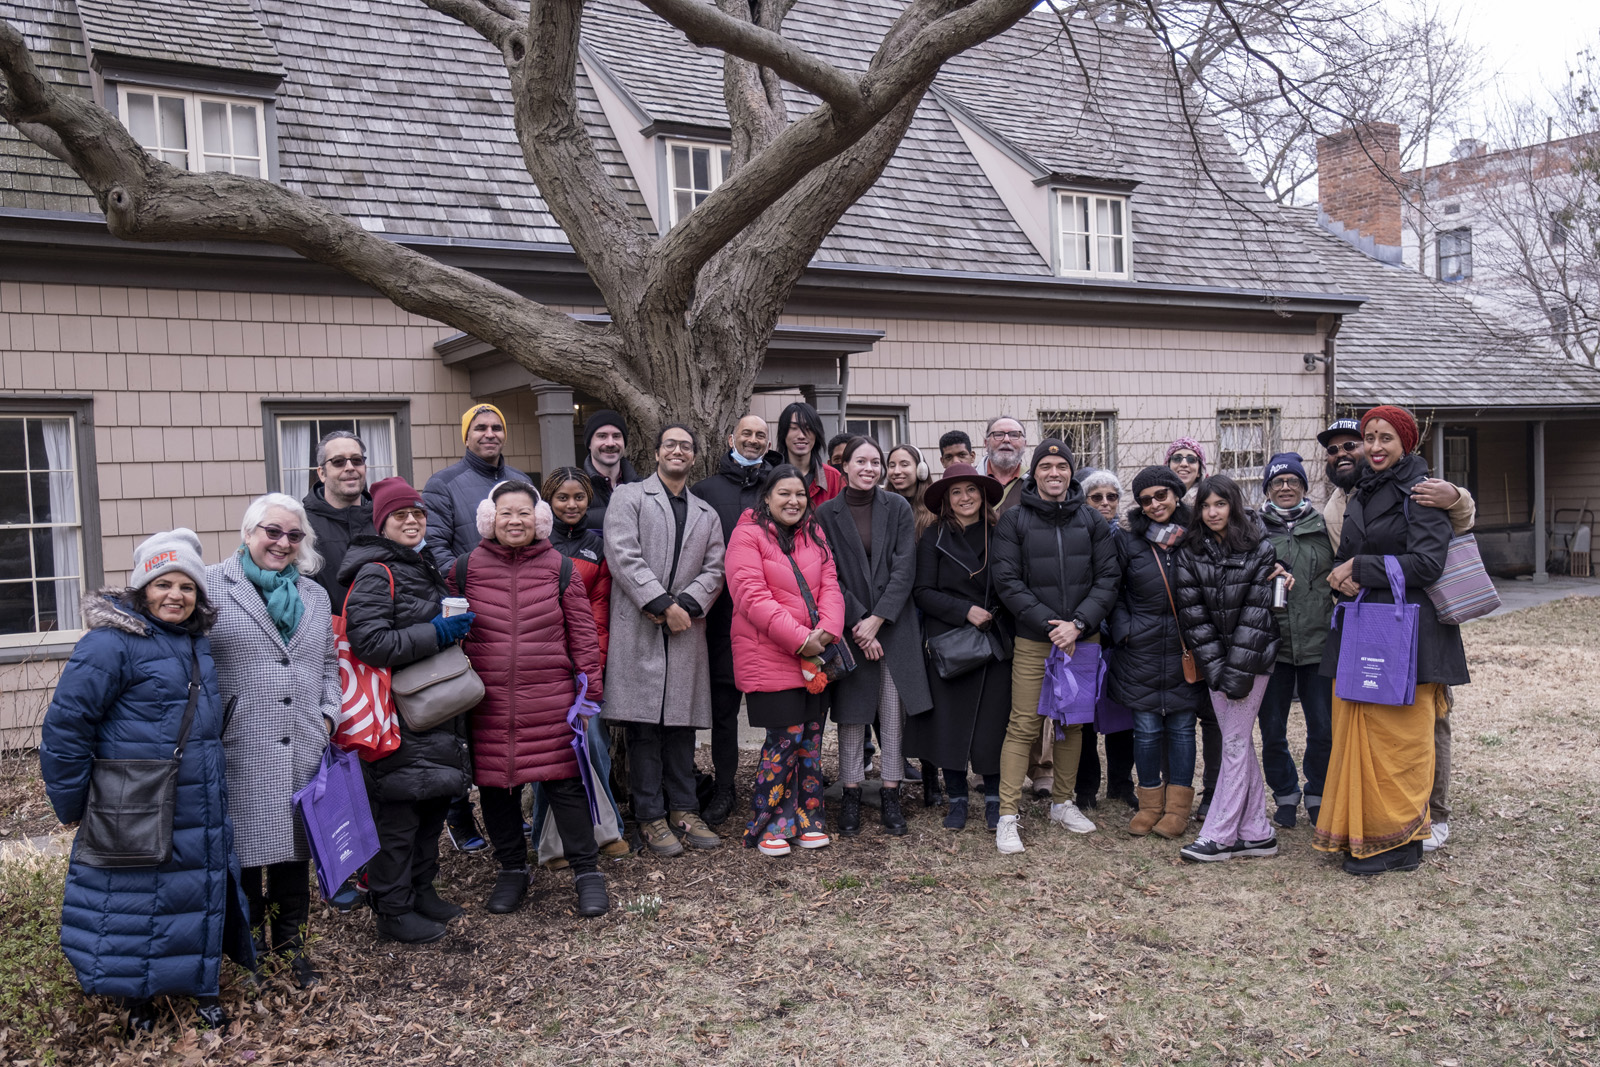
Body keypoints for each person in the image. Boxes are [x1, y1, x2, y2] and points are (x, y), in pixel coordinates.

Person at [41, 530, 255, 1035]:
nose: (175, 596)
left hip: (198, 798)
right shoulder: (109, 644)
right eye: (164, 584)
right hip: (134, 799)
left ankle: (201, 987)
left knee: (195, 893)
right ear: (143, 588)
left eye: (187, 586)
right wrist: (73, 804)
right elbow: (67, 728)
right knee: (134, 900)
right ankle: (138, 997)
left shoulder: (196, 643)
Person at [1315, 406, 1468, 875]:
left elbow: (1427, 564)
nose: (1375, 447)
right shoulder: (1362, 490)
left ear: (1407, 443)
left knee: (1400, 741)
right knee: (1361, 732)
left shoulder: (1422, 492)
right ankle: (1363, 831)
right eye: (1370, 437)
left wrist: (1360, 569)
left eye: (1386, 438)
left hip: (1409, 633)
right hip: (1364, 626)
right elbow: (1348, 554)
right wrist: (1340, 576)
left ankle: (1400, 842)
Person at [454, 480, 610, 917]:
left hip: (551, 699)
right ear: (490, 519)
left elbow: (583, 637)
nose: (515, 521)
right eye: (505, 513)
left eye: (524, 512)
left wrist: (588, 698)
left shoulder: (560, 567)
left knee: (565, 785)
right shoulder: (465, 568)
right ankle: (511, 869)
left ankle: (587, 872)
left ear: (539, 519)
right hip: (488, 704)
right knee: (496, 789)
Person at [207, 493, 339, 989]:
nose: (283, 542)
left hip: (302, 739)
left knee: (294, 854)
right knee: (243, 853)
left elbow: (328, 663)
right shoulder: (212, 585)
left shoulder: (314, 595)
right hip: (239, 742)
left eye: (294, 535)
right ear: (248, 533)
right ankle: (248, 958)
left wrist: (327, 717)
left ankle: (290, 951)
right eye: (273, 531)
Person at [339, 477, 474, 943]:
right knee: (399, 818)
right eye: (401, 515)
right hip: (399, 713)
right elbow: (369, 641)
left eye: (418, 513)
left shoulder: (422, 563)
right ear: (382, 524)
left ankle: (421, 891)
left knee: (432, 806)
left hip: (434, 710)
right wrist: (437, 633)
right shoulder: (377, 572)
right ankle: (392, 909)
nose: (412, 520)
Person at [990, 440, 1120, 854]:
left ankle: (1062, 803)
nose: (1054, 473)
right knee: (1023, 725)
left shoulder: (1091, 519)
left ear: (1070, 472)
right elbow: (1007, 581)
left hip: (1081, 640)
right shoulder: (1014, 520)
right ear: (1035, 472)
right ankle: (1007, 815)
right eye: (1045, 466)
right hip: (1035, 640)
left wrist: (1078, 625)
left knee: (1072, 724)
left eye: (1061, 466)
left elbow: (1108, 578)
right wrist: (1052, 625)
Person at [603, 425, 727, 856]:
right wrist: (659, 602)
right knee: (643, 729)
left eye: (686, 446)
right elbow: (622, 553)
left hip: (685, 631)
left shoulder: (706, 514)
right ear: (656, 453)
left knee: (680, 727)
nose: (678, 451)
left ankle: (684, 809)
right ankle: (650, 816)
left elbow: (715, 568)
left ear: (694, 456)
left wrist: (684, 607)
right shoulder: (629, 497)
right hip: (639, 627)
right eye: (670, 444)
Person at [724, 465, 845, 856]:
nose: (794, 501)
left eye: (800, 494)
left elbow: (831, 585)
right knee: (784, 742)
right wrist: (801, 640)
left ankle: (809, 818)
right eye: (784, 493)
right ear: (766, 497)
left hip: (815, 656)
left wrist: (827, 631)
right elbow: (750, 596)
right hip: (770, 655)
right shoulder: (747, 535)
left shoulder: (814, 533)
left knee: (810, 740)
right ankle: (770, 824)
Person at [816, 437, 934, 837]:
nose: (869, 468)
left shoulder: (897, 507)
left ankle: (890, 793)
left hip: (895, 625)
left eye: (875, 462)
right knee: (852, 714)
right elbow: (827, 573)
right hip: (850, 628)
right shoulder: (826, 513)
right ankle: (850, 793)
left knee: (892, 711)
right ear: (844, 466)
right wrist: (860, 622)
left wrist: (878, 619)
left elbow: (905, 567)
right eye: (860, 461)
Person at [422, 403, 526, 852]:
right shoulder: (443, 484)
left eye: (496, 426)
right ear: (466, 436)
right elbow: (435, 548)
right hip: (466, 616)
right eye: (480, 427)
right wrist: (474, 591)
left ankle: (509, 812)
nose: (489, 434)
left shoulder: (519, 482)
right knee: (460, 716)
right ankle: (458, 813)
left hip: (517, 616)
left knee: (505, 717)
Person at [1172, 475, 1285, 863]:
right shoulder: (1190, 551)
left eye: (1220, 504)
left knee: (1234, 743)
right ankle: (1257, 833)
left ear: (1233, 505)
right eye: (1205, 506)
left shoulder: (1260, 548)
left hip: (1254, 660)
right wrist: (1218, 669)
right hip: (1215, 663)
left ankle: (1219, 835)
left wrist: (1235, 673)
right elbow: (1193, 616)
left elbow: (1257, 614)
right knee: (1239, 742)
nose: (1212, 512)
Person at [904, 463, 1012, 831]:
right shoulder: (933, 537)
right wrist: (964, 610)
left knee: (993, 724)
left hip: (995, 641)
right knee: (950, 724)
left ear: (982, 495)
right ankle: (957, 799)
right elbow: (921, 591)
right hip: (950, 642)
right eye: (956, 492)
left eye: (971, 490)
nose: (965, 498)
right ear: (947, 500)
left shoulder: (1000, 534)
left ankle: (995, 800)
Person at [1110, 467, 1208, 840]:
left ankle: (1178, 808)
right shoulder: (1128, 540)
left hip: (1186, 647)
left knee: (1182, 728)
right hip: (1141, 649)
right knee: (1147, 730)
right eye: (1146, 500)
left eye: (1161, 495)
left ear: (1176, 494)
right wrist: (1126, 630)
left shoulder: (1196, 536)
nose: (1154, 504)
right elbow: (1114, 590)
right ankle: (1150, 804)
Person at [539, 467, 630, 867]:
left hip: (584, 665)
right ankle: (548, 838)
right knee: (549, 753)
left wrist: (594, 663)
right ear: (548, 501)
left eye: (579, 497)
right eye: (562, 497)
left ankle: (607, 830)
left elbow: (600, 611)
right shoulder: (537, 542)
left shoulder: (597, 546)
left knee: (593, 744)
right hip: (543, 664)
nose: (571, 505)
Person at [690, 413, 774, 825]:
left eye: (761, 435)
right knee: (724, 714)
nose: (753, 440)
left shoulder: (777, 487)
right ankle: (725, 789)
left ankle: (775, 785)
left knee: (776, 711)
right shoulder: (705, 491)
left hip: (771, 620)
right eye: (746, 434)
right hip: (721, 619)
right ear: (731, 439)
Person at [1257, 453, 1335, 830]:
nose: (1285, 487)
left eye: (1293, 481)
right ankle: (1285, 794)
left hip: (1319, 643)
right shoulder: (1254, 529)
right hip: (1272, 646)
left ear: (1304, 487)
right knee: (1272, 729)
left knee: (1323, 728)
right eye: (1277, 482)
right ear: (1268, 489)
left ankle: (1318, 792)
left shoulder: (1324, 526)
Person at [1071, 468, 1137, 813]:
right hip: (1084, 634)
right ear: (1084, 501)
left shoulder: (1128, 539)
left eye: (1112, 496)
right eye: (1096, 497)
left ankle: (1121, 784)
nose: (1105, 503)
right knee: (1083, 717)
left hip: (1121, 640)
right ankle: (1085, 788)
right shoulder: (1073, 536)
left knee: (1121, 716)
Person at [302, 429, 374, 612]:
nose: (350, 467)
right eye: (338, 461)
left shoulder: (385, 520)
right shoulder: (301, 526)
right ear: (322, 473)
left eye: (357, 460)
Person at [770, 401, 844, 505]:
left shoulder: (834, 478)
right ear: (783, 433)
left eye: (808, 428)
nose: (801, 435)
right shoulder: (769, 476)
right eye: (794, 428)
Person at [581, 409, 639, 532]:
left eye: (616, 436)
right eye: (602, 436)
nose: (610, 443)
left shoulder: (642, 489)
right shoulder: (575, 490)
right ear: (589, 443)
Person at [978, 416, 1029, 515]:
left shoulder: (1035, 483)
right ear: (986, 443)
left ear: (1024, 444)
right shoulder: (971, 480)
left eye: (1014, 435)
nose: (1006, 440)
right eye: (998, 434)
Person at [886, 444, 937, 537]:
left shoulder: (936, 508)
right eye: (892, 466)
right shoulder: (881, 505)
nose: (896, 471)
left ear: (921, 469)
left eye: (904, 465)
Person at [1165, 438, 1206, 503]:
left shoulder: (1208, 501)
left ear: (1199, 471)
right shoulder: (1155, 500)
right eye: (1177, 458)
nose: (1184, 464)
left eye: (1191, 459)